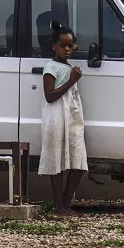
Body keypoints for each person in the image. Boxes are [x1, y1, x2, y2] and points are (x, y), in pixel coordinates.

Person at [39, 21, 88, 216]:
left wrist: (72, 78)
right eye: (63, 46)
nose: (67, 49)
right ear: (54, 47)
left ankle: (66, 204)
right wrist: (71, 80)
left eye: (70, 45)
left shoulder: (70, 68)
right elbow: (49, 95)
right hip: (56, 118)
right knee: (57, 161)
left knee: (78, 161)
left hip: (73, 118)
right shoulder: (51, 67)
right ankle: (59, 206)